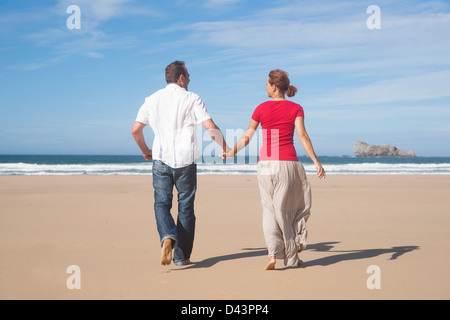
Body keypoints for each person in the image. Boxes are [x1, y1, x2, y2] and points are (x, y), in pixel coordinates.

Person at [224, 69, 325, 270]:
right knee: (289, 211)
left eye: (266, 84)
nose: (265, 87)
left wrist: (232, 151)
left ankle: (272, 254)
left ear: (273, 86)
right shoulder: (296, 107)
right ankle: (291, 257)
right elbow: (303, 135)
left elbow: (247, 136)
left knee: (270, 210)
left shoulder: (261, 108)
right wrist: (315, 161)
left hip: (266, 165)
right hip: (288, 164)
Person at [132, 61, 230, 266]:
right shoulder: (192, 98)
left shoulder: (152, 99)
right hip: (186, 161)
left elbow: (135, 130)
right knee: (185, 208)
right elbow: (210, 126)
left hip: (160, 158)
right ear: (181, 78)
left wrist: (145, 151)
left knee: (161, 203)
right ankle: (181, 257)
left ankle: (167, 235)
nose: (190, 80)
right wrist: (225, 147)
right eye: (188, 76)